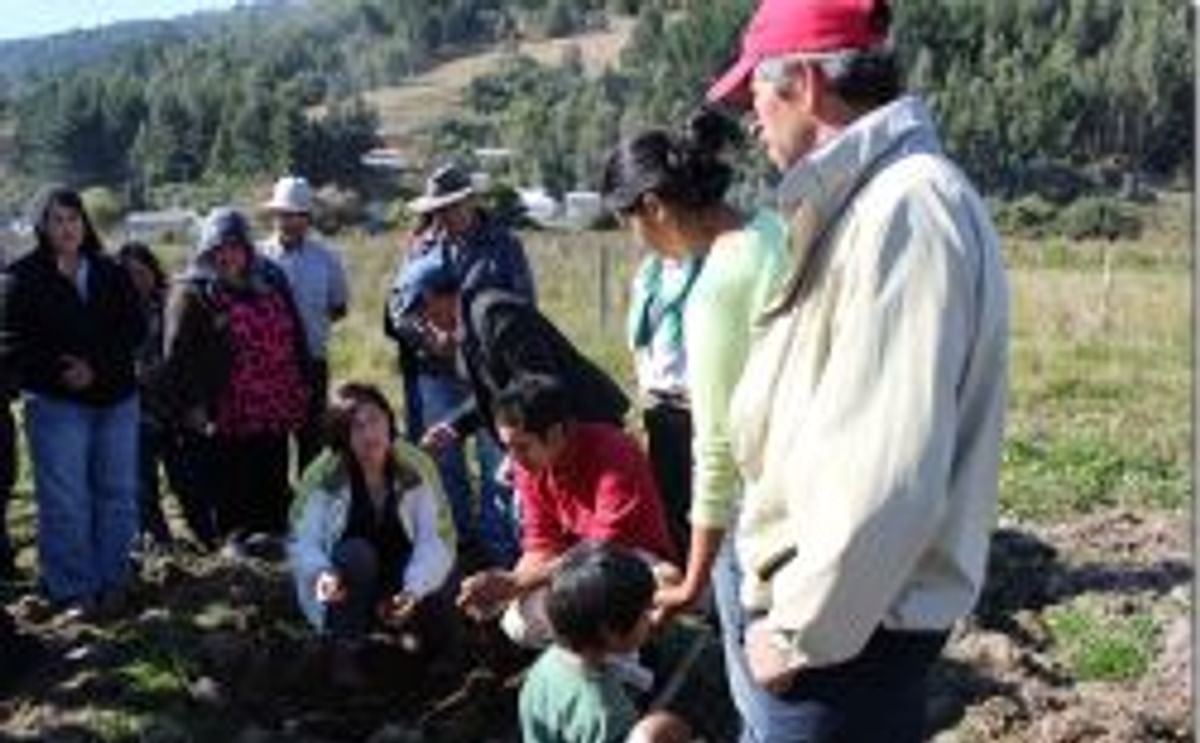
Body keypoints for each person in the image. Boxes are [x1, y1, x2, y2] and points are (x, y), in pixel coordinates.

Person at [705, 0, 1010, 740]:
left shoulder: (904, 209)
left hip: (842, 647)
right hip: (844, 633)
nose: (753, 121)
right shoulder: (874, 202)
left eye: (756, 96)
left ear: (805, 85)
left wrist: (798, 630)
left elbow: (887, 466)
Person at [604, 110, 788, 600]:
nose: (634, 237)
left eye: (629, 222)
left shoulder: (717, 288)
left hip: (761, 517)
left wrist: (693, 580)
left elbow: (717, 450)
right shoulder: (772, 230)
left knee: (753, 664)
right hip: (813, 497)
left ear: (654, 208)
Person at [406, 252, 631, 567]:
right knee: (542, 527)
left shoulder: (495, 314)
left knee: (595, 533)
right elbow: (497, 391)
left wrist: (516, 454)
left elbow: (540, 388)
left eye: (422, 312)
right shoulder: (468, 322)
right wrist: (456, 426)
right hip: (547, 439)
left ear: (435, 297)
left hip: (587, 430)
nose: (425, 324)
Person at [385, 163, 536, 568]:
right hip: (435, 372)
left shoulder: (504, 245)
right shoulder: (419, 246)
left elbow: (523, 309)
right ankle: (457, 543)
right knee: (441, 460)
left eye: (451, 206)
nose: (444, 215)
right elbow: (399, 308)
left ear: (470, 201)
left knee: (496, 462)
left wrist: (476, 341)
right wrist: (427, 337)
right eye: (438, 208)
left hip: (489, 372)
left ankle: (499, 550)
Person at [2, 185, 145, 612]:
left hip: (116, 399)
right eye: (57, 220)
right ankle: (72, 589)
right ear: (42, 227)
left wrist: (96, 366)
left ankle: (114, 579)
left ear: (85, 223)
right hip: (55, 402)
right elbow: (14, 344)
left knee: (117, 492)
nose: (67, 228)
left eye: (73, 218)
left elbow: (134, 331)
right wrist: (63, 373)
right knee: (65, 497)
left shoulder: (110, 272)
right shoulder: (21, 278)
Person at [457, 376, 675, 650]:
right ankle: (606, 654)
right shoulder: (530, 467)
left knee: (603, 600)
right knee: (517, 622)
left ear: (557, 433)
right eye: (507, 447)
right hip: (576, 565)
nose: (513, 460)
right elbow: (541, 543)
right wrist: (502, 593)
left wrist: (517, 582)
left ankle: (630, 655)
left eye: (522, 446)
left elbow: (602, 550)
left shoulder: (614, 451)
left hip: (630, 559)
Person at [289, 382, 460, 688]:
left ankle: (440, 649)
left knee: (443, 568)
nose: (370, 433)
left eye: (376, 419)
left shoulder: (416, 465)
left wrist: (412, 590)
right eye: (356, 426)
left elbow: (436, 539)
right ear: (341, 436)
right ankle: (345, 651)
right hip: (347, 586)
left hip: (403, 578)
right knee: (355, 553)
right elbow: (303, 541)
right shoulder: (323, 474)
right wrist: (320, 573)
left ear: (389, 420)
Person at [157, 207, 309, 549]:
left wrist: (303, 380)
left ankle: (272, 538)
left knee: (271, 472)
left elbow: (295, 331)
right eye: (219, 248)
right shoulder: (191, 292)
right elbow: (175, 355)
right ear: (206, 250)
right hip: (222, 408)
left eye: (235, 246)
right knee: (229, 480)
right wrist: (191, 404)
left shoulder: (269, 280)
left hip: (273, 402)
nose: (227, 255)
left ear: (247, 249)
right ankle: (233, 544)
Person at [520, 541, 691, 743]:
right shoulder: (608, 713)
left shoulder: (544, 667)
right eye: (644, 612)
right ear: (609, 632)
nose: (651, 617)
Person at [261, 176, 350, 471]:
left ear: (307, 218)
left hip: (312, 363)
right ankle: (275, 512)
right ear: (274, 216)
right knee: (271, 443)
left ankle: (308, 512)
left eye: (296, 215)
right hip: (267, 367)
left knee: (311, 441)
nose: (289, 222)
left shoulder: (327, 259)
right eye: (284, 214)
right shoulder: (257, 258)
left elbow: (338, 307)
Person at [117, 241, 173, 547]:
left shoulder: (171, 303)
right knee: (142, 481)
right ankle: (157, 540)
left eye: (141, 272)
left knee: (187, 479)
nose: (136, 281)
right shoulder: (115, 312)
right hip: (135, 409)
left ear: (153, 271)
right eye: (128, 275)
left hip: (173, 406)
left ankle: (207, 534)